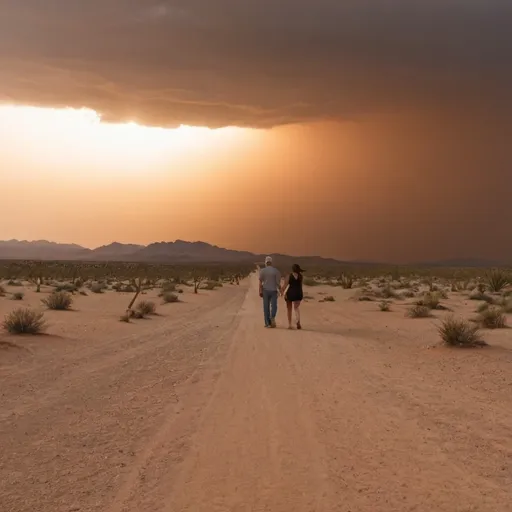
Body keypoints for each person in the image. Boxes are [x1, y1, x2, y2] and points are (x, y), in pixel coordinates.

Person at [259, 256, 281, 328]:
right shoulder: (276, 271)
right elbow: (278, 282)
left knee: (266, 307)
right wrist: (280, 290)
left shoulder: (262, 271)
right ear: (271, 262)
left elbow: (260, 282)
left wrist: (260, 290)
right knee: (274, 306)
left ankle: (267, 323)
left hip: (265, 290)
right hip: (274, 291)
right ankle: (273, 317)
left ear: (266, 262)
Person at [282, 264, 305, 329]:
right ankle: (298, 321)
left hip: (290, 293)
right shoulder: (301, 276)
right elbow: (300, 285)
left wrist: (281, 291)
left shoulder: (289, 276)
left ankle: (290, 324)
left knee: (289, 309)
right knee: (296, 308)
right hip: (299, 293)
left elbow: (285, 285)